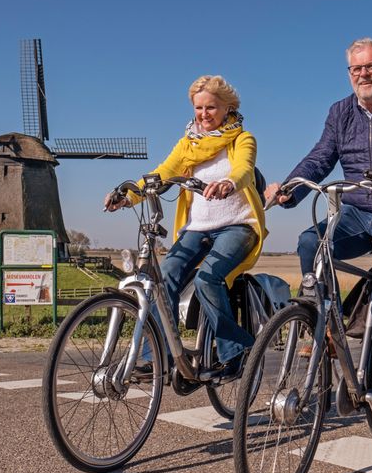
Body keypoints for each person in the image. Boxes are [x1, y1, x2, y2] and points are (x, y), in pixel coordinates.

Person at [265, 38, 372, 448]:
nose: (363, 74)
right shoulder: (339, 112)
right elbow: (319, 158)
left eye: (371, 66)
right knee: (311, 242)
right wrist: (290, 188)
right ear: (349, 74)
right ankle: (324, 321)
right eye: (356, 69)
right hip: (357, 212)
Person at [106, 75, 266, 377]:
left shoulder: (242, 139)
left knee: (208, 279)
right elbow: (162, 173)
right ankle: (157, 356)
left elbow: (244, 169)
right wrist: (127, 196)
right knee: (163, 279)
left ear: (228, 107)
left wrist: (229, 182)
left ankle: (237, 349)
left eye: (211, 108)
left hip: (237, 226)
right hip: (197, 228)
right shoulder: (188, 144)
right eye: (199, 108)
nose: (204, 114)